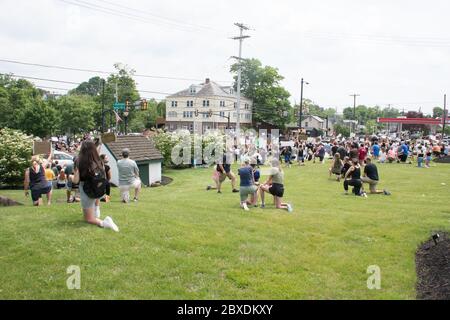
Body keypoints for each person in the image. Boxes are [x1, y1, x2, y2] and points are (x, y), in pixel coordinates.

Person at [71, 140, 118, 231]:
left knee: (88, 219)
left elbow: (76, 181)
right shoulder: (99, 161)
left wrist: (70, 177)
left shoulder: (79, 161)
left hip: (86, 189)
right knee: (94, 201)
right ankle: (97, 212)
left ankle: (104, 222)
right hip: (98, 188)